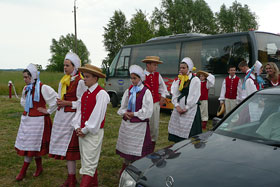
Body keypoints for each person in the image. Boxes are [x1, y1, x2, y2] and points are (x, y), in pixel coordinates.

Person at [49, 52, 87, 187]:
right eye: (64, 65)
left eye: (67, 65)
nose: (65, 68)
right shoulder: (64, 80)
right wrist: (56, 105)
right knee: (65, 150)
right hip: (62, 117)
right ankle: (71, 177)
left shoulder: (81, 82)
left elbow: (82, 102)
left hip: (73, 118)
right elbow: (60, 97)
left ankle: (76, 178)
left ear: (75, 66)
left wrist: (68, 103)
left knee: (71, 149)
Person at [14, 63, 57, 181]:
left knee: (33, 146)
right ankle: (39, 167)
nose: (24, 79)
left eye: (26, 77)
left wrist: (47, 111)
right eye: (23, 77)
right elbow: (23, 100)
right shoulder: (26, 88)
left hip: (39, 122)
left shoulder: (43, 87)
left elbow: (55, 100)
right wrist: (28, 107)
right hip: (28, 120)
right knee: (30, 146)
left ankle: (23, 171)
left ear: (32, 76)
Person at [71, 64, 110, 187]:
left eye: (87, 77)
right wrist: (77, 126)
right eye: (84, 76)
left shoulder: (101, 94)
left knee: (89, 163)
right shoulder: (85, 94)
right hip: (82, 132)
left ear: (95, 78)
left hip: (93, 133)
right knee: (87, 160)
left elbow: (97, 116)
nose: (84, 79)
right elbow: (80, 112)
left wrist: (85, 129)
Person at [116, 65, 154, 176]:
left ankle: (137, 169)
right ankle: (125, 165)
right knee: (127, 147)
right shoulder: (129, 91)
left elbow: (147, 111)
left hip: (139, 125)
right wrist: (125, 113)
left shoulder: (145, 92)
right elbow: (123, 106)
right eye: (131, 78)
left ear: (140, 79)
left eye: (135, 78)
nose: (132, 81)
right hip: (128, 124)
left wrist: (134, 114)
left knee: (138, 150)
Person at [168, 57, 202, 143]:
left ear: (189, 68)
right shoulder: (179, 79)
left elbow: (194, 96)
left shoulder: (195, 80)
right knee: (178, 127)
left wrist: (186, 108)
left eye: (184, 68)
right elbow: (175, 94)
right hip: (180, 106)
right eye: (180, 68)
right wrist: (176, 106)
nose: (181, 70)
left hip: (190, 107)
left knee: (190, 132)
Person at [142, 56, 168, 150]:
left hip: (155, 104)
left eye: (157, 65)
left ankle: (151, 148)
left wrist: (163, 96)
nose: (156, 67)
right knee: (144, 125)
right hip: (144, 105)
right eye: (154, 65)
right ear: (148, 65)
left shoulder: (157, 75)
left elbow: (163, 88)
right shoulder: (141, 75)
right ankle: (143, 145)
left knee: (154, 126)